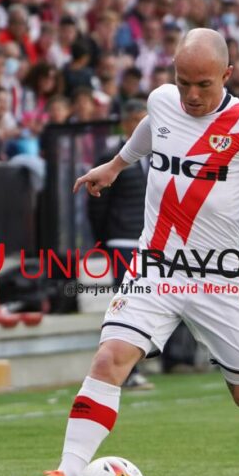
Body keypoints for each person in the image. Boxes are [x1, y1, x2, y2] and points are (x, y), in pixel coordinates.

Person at [17, 28, 239, 476]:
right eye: (184, 83)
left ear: (227, 74)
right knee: (110, 358)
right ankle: (66, 475)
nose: (192, 95)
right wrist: (116, 166)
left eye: (204, 84)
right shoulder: (162, 101)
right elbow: (149, 130)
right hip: (154, 267)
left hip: (218, 279)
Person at [87, 98, 154, 391]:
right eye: (138, 120)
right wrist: (106, 239)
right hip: (123, 239)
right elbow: (97, 204)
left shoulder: (160, 156)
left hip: (150, 242)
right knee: (128, 304)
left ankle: (131, 367)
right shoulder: (112, 157)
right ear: (126, 123)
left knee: (146, 303)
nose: (144, 126)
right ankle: (124, 371)